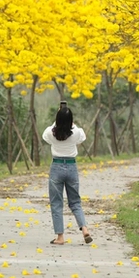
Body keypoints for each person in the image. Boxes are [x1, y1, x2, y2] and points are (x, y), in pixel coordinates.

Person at [42, 104, 93, 245]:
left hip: (56, 167)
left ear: (57, 119)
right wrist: (71, 123)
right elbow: (82, 136)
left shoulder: (51, 133)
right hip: (71, 167)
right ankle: (85, 229)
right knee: (75, 202)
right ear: (71, 120)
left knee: (56, 203)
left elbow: (45, 134)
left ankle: (60, 237)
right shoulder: (76, 132)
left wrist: (58, 119)